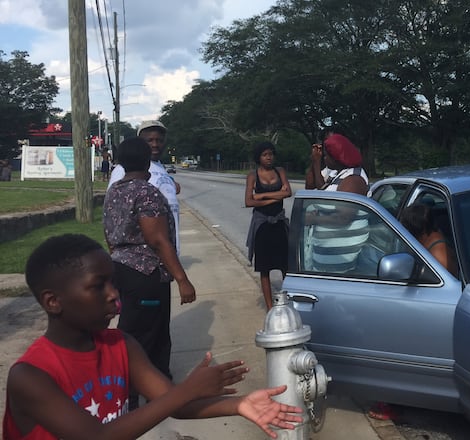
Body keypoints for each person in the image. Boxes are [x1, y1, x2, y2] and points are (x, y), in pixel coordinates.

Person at [2, 234, 302, 440]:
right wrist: (188, 390)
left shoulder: (121, 345)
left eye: (113, 283)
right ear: (53, 301)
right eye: (98, 286)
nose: (113, 294)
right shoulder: (30, 376)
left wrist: (238, 405)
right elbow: (96, 437)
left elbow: (174, 404)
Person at [103, 136, 195, 410]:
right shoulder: (146, 192)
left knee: (138, 330)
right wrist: (182, 279)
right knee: (146, 335)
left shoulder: (114, 191)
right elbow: (158, 240)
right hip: (146, 273)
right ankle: (137, 396)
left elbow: (110, 234)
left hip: (121, 268)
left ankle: (154, 390)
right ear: (146, 160)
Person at [109, 120, 182, 253]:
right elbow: (113, 211)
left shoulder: (160, 167)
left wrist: (171, 182)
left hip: (168, 251)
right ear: (140, 142)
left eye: (159, 140)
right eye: (150, 140)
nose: (155, 145)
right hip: (145, 257)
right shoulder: (125, 169)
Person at [304, 133, 370, 273]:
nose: (325, 158)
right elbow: (311, 186)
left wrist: (313, 219)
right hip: (328, 254)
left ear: (337, 158)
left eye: (327, 156)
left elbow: (343, 218)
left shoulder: (353, 179)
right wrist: (315, 161)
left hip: (342, 257)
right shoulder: (336, 173)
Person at [244, 141, 292, 310]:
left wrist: (261, 196)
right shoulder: (253, 176)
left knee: (285, 266)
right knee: (265, 269)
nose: (269, 157)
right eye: (265, 154)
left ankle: (288, 301)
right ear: (259, 157)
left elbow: (288, 192)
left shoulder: (280, 171)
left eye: (271, 153)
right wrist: (274, 198)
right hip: (262, 225)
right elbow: (249, 201)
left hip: (279, 222)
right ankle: (270, 307)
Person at [399, 203, 458, 278]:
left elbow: (447, 281)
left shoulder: (438, 250)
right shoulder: (424, 241)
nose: (404, 232)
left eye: (405, 228)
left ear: (414, 228)